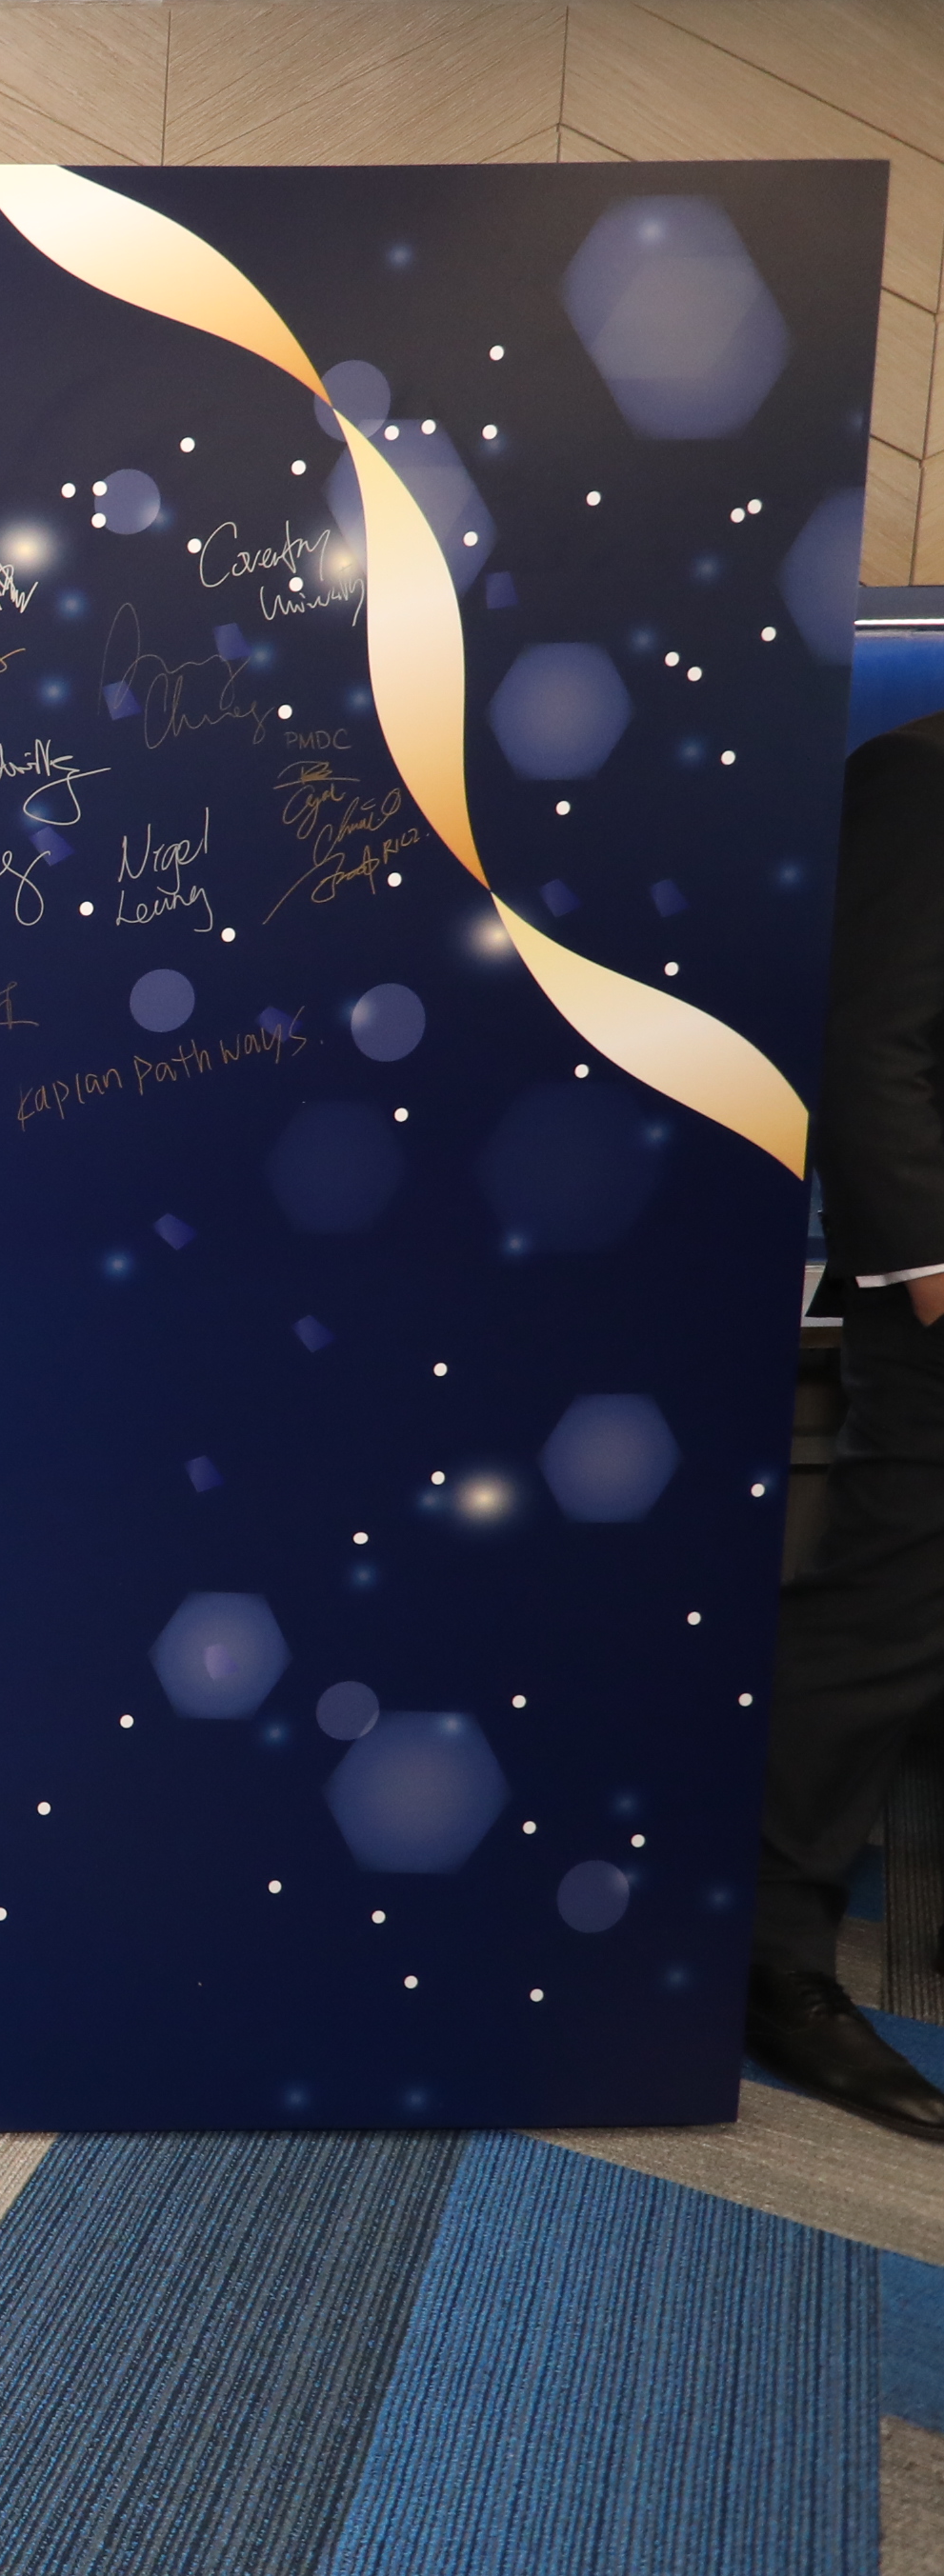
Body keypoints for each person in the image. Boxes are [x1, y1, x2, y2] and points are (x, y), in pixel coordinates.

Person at [754, 707, 944, 2138]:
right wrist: (932, 1272)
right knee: (888, 1612)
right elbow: (872, 1036)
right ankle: (771, 1956)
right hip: (938, 1308)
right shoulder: (924, 772)